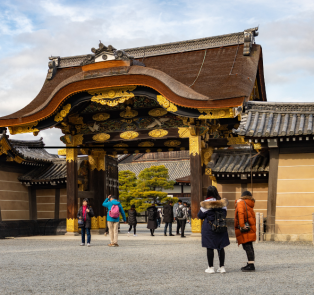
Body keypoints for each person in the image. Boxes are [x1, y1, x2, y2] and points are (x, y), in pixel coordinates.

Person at [197, 186, 230, 274]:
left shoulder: (205, 204)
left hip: (209, 227)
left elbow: (200, 216)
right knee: (221, 247)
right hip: (221, 226)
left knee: (210, 247)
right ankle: (222, 267)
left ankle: (211, 268)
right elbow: (225, 214)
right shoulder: (222, 203)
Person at [234, 190, 256, 272]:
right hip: (250, 226)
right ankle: (251, 263)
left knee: (247, 246)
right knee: (249, 245)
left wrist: (242, 225)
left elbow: (240, 213)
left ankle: (251, 265)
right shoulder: (250, 203)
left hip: (245, 227)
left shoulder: (242, 203)